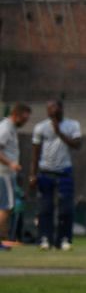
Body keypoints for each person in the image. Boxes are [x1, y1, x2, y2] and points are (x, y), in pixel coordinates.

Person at [30, 100, 81, 250]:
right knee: (45, 207)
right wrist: (32, 175)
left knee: (66, 208)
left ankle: (64, 239)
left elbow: (77, 145)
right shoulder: (40, 127)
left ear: (60, 109)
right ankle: (44, 238)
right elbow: (35, 152)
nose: (50, 110)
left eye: (53, 107)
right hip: (45, 171)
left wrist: (59, 132)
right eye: (48, 108)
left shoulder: (73, 125)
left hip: (64, 171)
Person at [0, 103, 28, 248]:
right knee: (6, 206)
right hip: (4, 173)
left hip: (6, 173)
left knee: (5, 206)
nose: (25, 121)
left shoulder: (10, 127)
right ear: (16, 115)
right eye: (24, 118)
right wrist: (11, 163)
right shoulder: (5, 128)